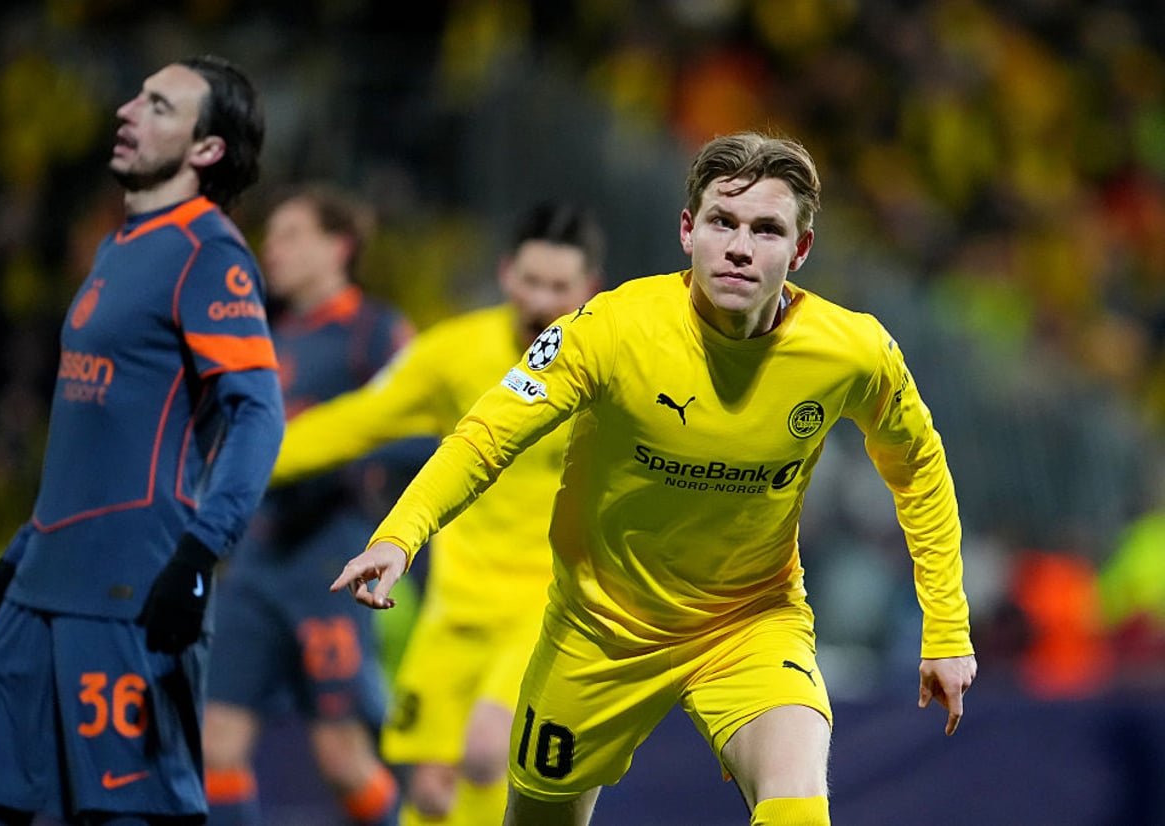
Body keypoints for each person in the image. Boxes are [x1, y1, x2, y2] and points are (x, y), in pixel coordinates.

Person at [333, 131, 978, 826]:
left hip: (749, 622)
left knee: (797, 806)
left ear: (801, 250)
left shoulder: (853, 351)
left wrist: (946, 626)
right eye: (722, 222)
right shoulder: (610, 329)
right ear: (687, 230)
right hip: (599, 628)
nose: (739, 247)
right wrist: (400, 535)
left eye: (766, 229)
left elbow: (920, 469)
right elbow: (487, 434)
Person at [0, 55, 284, 825]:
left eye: (159, 106)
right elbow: (96, 441)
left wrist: (200, 554)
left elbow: (258, 414)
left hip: (130, 594)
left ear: (206, 149)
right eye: (136, 97)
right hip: (42, 586)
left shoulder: (209, 253)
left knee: (127, 816)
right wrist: (19, 557)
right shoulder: (122, 246)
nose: (127, 111)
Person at [272, 202, 605, 825]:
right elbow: (362, 419)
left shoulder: (605, 366)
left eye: (559, 287)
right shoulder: (455, 353)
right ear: (505, 274)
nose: (541, 301)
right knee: (429, 791)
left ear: (589, 288)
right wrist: (253, 462)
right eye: (531, 281)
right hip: (456, 608)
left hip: (549, 605)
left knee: (487, 750)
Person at [202, 184, 416, 826]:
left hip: (329, 560)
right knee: (215, 745)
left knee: (342, 758)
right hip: (256, 563)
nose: (273, 249)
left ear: (339, 246)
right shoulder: (264, 334)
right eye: (272, 236)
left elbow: (425, 428)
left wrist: (333, 458)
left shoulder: (376, 330)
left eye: (292, 235)